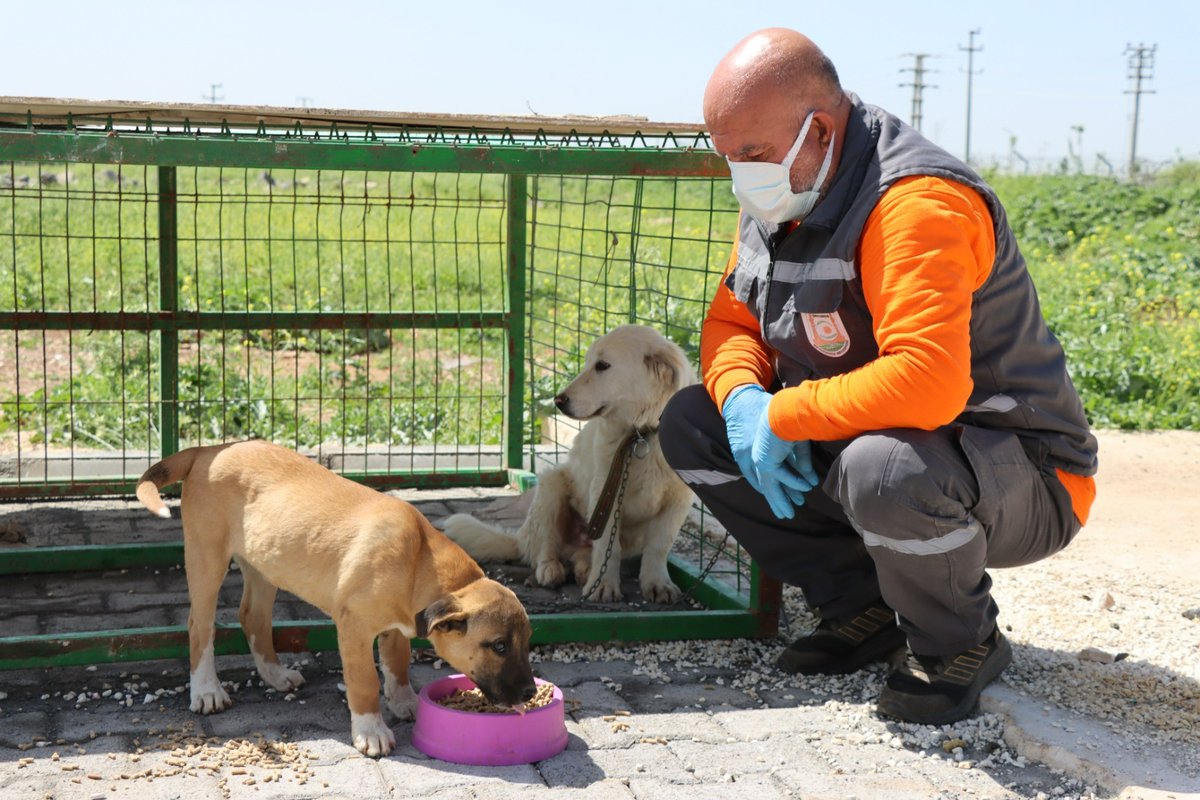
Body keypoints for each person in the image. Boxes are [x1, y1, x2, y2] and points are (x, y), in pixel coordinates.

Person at [659, 28, 1098, 725]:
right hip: (888, 443)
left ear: (820, 129)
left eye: (752, 155)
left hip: (1023, 473)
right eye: (728, 157)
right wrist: (744, 397)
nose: (741, 177)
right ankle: (860, 608)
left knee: (884, 470)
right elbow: (731, 324)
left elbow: (928, 382)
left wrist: (782, 415)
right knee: (693, 423)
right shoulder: (787, 190)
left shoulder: (916, 201)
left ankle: (959, 641)